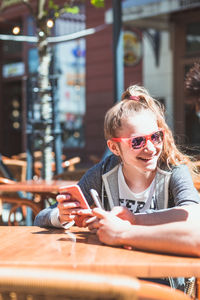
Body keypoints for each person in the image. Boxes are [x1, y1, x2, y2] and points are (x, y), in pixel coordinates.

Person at [34, 84, 200, 254]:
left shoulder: (174, 169)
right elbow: (41, 217)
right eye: (138, 141)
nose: (150, 148)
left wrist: (131, 221)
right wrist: (62, 217)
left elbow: (193, 214)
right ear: (114, 147)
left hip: (164, 275)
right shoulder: (102, 173)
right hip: (113, 269)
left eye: (156, 137)